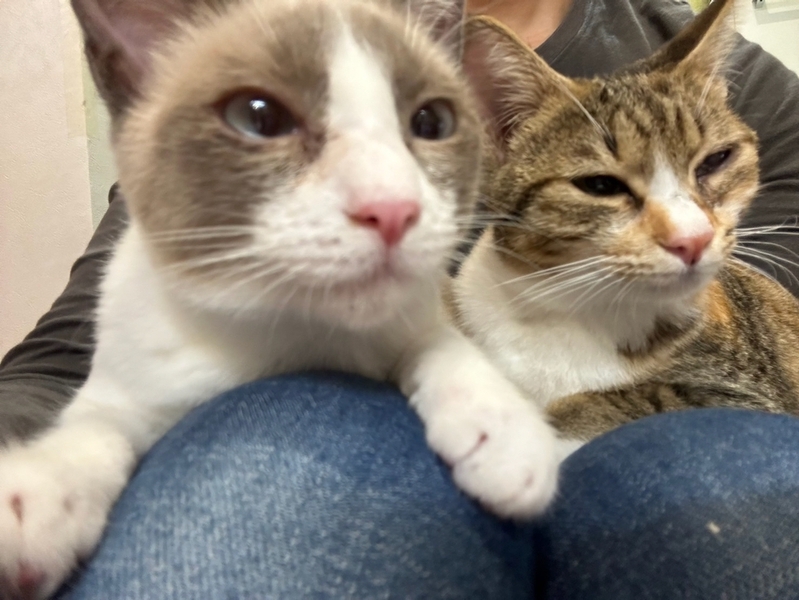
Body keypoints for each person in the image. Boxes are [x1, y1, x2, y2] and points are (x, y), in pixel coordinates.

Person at [2, 0, 799, 597]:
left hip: (677, 416)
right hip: (361, 428)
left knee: (722, 472)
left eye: (427, 120)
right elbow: (78, 353)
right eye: (263, 118)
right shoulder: (256, 42)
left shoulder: (696, 51)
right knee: (274, 449)